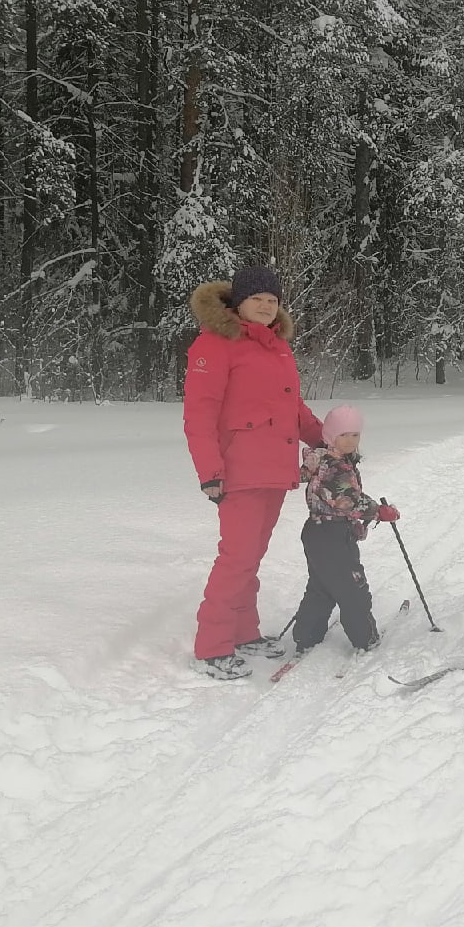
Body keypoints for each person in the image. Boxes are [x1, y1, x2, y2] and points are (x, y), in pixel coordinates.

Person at [183, 265, 325, 679]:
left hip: (274, 471)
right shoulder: (214, 344)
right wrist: (210, 471)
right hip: (238, 471)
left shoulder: (277, 347)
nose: (266, 305)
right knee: (236, 558)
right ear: (239, 302)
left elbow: (293, 409)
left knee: (251, 558)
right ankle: (212, 646)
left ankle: (245, 632)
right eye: (257, 298)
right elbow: (200, 413)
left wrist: (324, 439)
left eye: (273, 299)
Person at [292, 404, 399, 656]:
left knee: (322, 586)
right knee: (353, 589)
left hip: (317, 531)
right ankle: (365, 638)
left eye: (355, 435)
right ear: (331, 436)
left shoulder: (325, 460)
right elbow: (348, 501)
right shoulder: (335, 467)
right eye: (344, 435)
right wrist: (380, 512)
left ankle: (306, 636)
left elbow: (348, 494)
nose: (351, 441)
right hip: (333, 535)